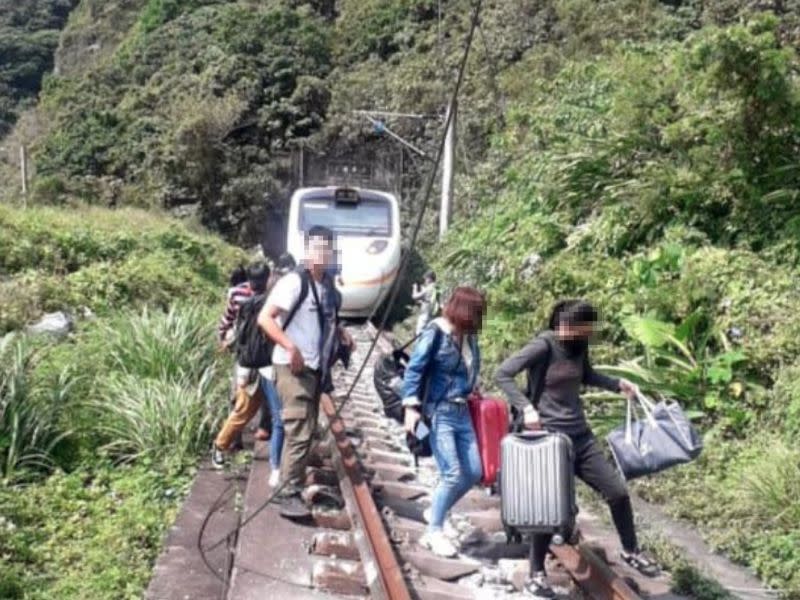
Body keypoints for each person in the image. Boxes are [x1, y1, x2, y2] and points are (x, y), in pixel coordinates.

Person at [494, 300, 659, 598]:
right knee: (550, 507)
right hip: (550, 441)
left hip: (580, 437)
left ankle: (631, 550)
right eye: (568, 326)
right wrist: (527, 409)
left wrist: (616, 384)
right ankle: (536, 573)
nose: (569, 332)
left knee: (617, 491)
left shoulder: (579, 346)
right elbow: (503, 374)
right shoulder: (544, 345)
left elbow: (586, 375)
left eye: (579, 328)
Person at [259, 226, 354, 519]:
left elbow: (324, 322)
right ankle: (288, 492)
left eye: (325, 250)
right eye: (315, 249)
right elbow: (266, 318)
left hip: (314, 368)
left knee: (306, 429)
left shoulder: (327, 288)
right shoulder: (293, 282)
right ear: (306, 251)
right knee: (299, 430)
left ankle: (291, 484)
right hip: (291, 366)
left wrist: (340, 334)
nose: (320, 255)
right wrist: (291, 347)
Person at [401, 286, 486, 558]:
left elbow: (468, 369)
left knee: (473, 470)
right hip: (440, 412)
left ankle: (436, 509)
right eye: (476, 312)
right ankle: (433, 531)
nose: (479, 319)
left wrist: (472, 388)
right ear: (464, 311)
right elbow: (415, 368)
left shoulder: (468, 336)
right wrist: (411, 408)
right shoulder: (436, 332)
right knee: (451, 472)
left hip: (463, 411)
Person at [211, 263, 270, 468]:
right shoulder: (268, 299)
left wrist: (222, 337)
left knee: (240, 400)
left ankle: (232, 442)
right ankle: (221, 444)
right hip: (258, 359)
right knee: (245, 405)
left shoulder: (237, 294)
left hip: (246, 356)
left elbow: (227, 319)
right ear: (268, 278)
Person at [256, 253, 297, 482]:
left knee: (279, 419)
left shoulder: (271, 296)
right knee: (280, 421)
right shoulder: (274, 311)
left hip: (271, 368)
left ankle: (277, 466)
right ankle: (275, 468)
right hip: (273, 368)